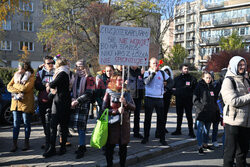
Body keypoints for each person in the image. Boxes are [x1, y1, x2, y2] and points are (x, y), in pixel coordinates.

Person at [221, 56, 250, 167]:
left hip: (246, 123)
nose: (242, 67)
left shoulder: (246, 79)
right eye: (239, 65)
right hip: (233, 123)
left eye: (244, 64)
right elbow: (233, 101)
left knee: (242, 154)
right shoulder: (228, 81)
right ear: (233, 65)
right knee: (230, 153)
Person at [101, 74, 135, 167]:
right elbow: (103, 109)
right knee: (110, 148)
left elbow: (134, 107)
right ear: (113, 81)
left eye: (122, 80)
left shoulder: (126, 93)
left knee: (123, 148)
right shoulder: (109, 92)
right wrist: (115, 111)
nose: (121, 82)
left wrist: (125, 103)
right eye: (118, 80)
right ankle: (109, 164)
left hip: (124, 124)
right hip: (112, 125)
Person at [43, 57, 71, 158]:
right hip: (61, 101)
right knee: (57, 126)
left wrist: (48, 84)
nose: (53, 65)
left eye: (55, 63)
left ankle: (57, 148)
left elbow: (54, 83)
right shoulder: (66, 72)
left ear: (59, 64)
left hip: (60, 102)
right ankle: (56, 147)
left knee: (58, 126)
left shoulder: (62, 72)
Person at [7, 61, 35, 152]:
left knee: (26, 123)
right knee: (16, 124)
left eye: (20, 67)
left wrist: (15, 85)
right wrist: (16, 89)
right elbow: (8, 86)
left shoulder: (31, 76)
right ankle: (14, 144)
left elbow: (25, 88)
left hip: (26, 103)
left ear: (25, 68)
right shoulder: (16, 75)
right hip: (16, 103)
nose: (18, 69)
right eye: (18, 67)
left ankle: (26, 142)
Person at [141, 57, 169, 145]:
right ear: (150, 64)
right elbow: (146, 82)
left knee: (161, 119)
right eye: (154, 63)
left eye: (157, 63)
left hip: (159, 98)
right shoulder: (147, 72)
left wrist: (166, 89)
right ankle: (146, 137)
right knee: (147, 119)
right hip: (149, 98)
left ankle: (162, 138)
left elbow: (171, 81)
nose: (156, 65)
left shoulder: (162, 73)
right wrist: (153, 73)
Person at [70, 59, 95, 159]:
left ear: (85, 67)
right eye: (77, 66)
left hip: (83, 104)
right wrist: (72, 98)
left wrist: (77, 101)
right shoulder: (74, 76)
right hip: (74, 103)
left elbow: (89, 93)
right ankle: (82, 145)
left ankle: (82, 146)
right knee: (76, 127)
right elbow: (71, 89)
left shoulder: (89, 78)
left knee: (81, 126)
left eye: (81, 66)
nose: (79, 68)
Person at [193, 71, 218, 155]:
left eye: (210, 78)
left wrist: (214, 109)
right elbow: (195, 99)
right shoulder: (199, 86)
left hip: (210, 113)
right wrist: (202, 107)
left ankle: (205, 144)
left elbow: (214, 99)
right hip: (201, 113)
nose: (208, 79)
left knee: (207, 130)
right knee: (199, 130)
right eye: (207, 78)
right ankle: (199, 146)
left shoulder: (212, 87)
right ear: (203, 78)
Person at [35, 56, 54, 151]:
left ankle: (54, 141)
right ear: (44, 64)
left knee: (54, 121)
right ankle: (48, 140)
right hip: (43, 100)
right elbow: (36, 86)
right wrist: (45, 85)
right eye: (49, 63)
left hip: (54, 100)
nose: (51, 65)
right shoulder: (40, 73)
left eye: (52, 62)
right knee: (44, 121)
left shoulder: (56, 72)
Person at [172, 63, 197, 138]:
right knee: (179, 115)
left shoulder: (192, 78)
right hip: (179, 100)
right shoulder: (177, 79)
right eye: (185, 69)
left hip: (188, 100)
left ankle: (191, 131)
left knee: (189, 116)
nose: (186, 70)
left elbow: (194, 89)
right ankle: (178, 130)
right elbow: (172, 89)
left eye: (187, 69)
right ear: (181, 70)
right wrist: (178, 91)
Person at [127, 66, 144, 138]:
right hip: (129, 97)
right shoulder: (126, 71)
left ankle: (136, 132)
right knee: (127, 116)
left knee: (137, 116)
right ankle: (126, 132)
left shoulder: (140, 71)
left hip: (138, 96)